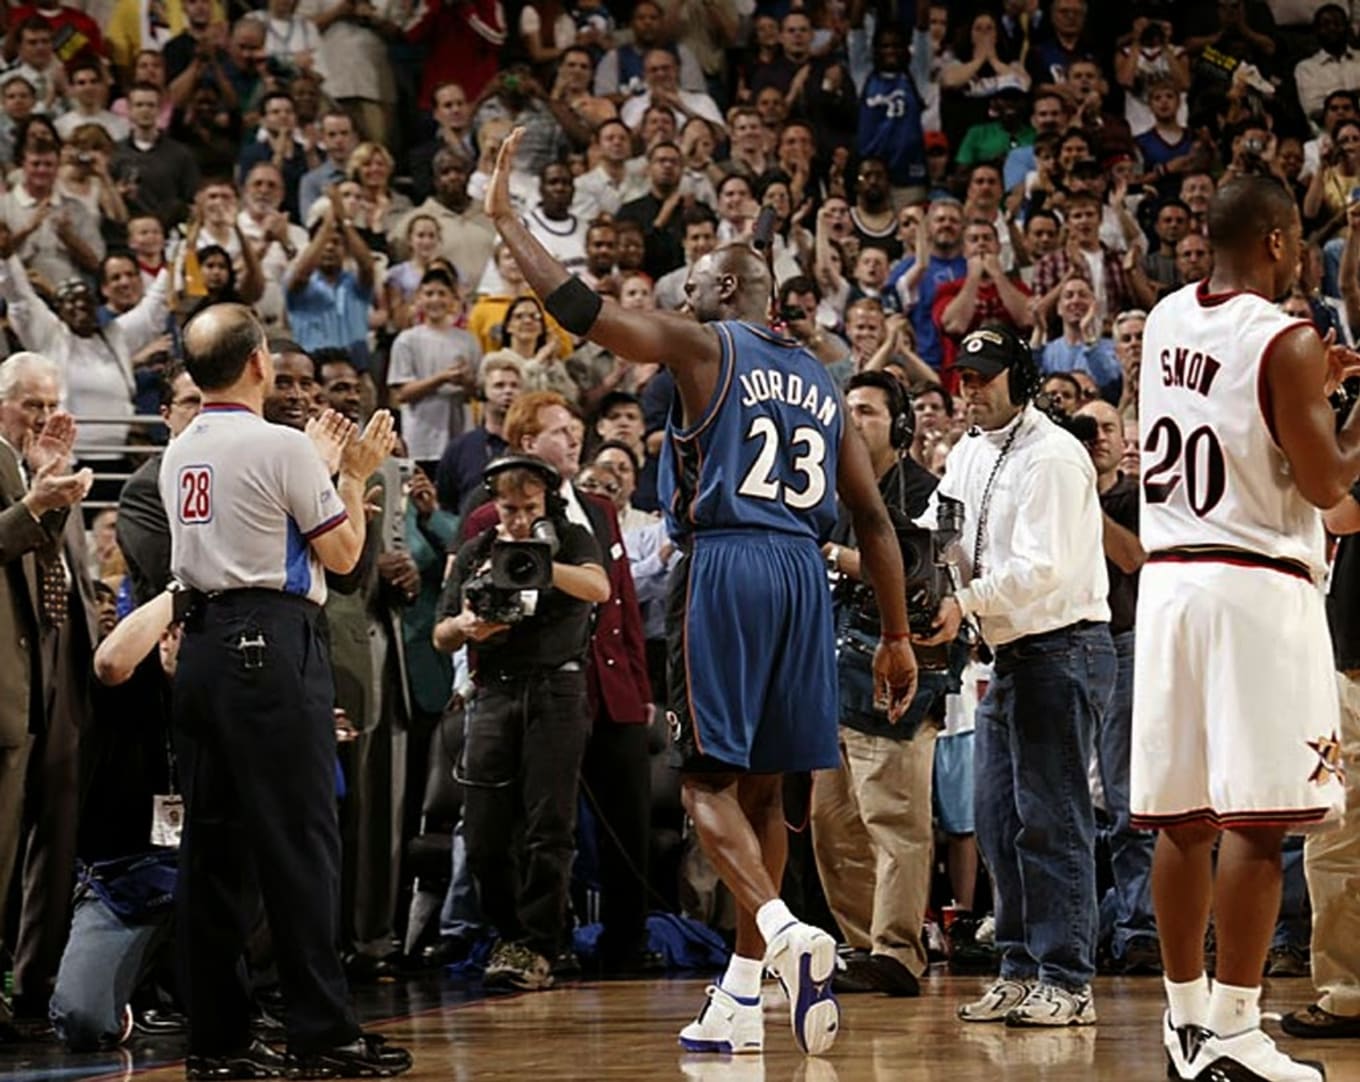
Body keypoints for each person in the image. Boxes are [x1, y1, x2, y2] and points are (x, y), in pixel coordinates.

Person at [484, 126, 918, 1056]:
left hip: (728, 564)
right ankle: (739, 997)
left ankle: (786, 931)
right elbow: (876, 523)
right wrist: (895, 635)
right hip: (806, 574)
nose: (681, 297)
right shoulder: (824, 380)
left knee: (703, 786)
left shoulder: (703, 343)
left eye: (694, 286)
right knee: (766, 791)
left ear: (725, 291)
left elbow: (583, 310)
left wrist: (510, 223)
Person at [1133, 175, 1354, 1082]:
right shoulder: (1285, 338)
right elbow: (1328, 483)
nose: (1300, 256)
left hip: (1170, 585)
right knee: (1258, 821)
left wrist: (1309, 390)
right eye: (1296, 240)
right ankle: (1233, 1029)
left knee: (1184, 818)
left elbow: (1235, 412)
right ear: (1275, 241)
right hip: (1254, 588)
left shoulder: (1164, 320)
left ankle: (1185, 1020)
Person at [161, 304, 411, 1078]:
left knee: (213, 853)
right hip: (270, 640)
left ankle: (219, 1041)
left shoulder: (177, 448)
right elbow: (343, 555)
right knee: (300, 842)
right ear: (259, 363)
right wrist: (354, 474)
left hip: (201, 645)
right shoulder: (281, 444)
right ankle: (323, 1034)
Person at [917, 324, 1114, 1028]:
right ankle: (1019, 967)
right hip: (1009, 657)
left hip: (1063, 649)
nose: (971, 390)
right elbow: (938, 527)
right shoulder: (969, 451)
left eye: (985, 377)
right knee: (999, 824)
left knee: (1052, 822)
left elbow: (1041, 569)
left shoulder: (1052, 456)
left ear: (1021, 379)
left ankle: (1067, 979)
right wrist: (913, 562)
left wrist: (965, 600)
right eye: (964, 378)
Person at [811, 371, 950, 998]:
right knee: (832, 822)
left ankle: (898, 950)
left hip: (898, 677)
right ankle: (862, 945)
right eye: (846, 410)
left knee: (893, 819)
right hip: (829, 678)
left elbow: (921, 579)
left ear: (901, 425)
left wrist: (833, 555)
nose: (851, 420)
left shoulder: (926, 493)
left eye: (866, 410)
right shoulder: (826, 493)